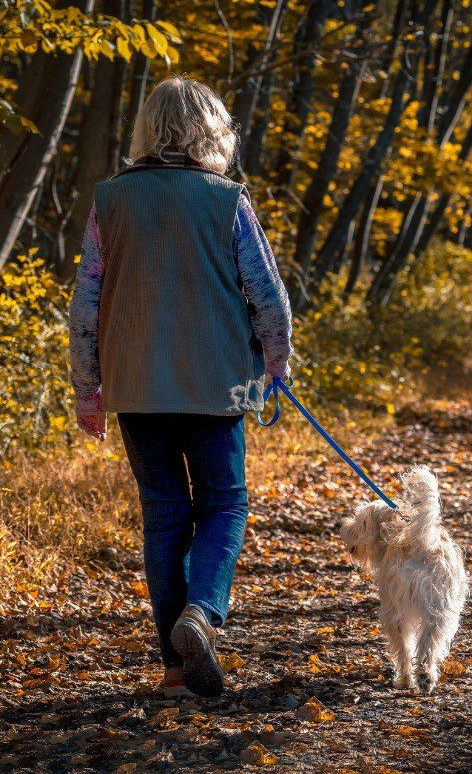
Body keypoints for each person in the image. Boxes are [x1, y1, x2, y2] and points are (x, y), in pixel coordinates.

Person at [68, 76, 293, 698]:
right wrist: (277, 363)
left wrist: (88, 390)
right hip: (216, 383)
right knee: (225, 503)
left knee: (165, 514)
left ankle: (174, 668)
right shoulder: (226, 199)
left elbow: (85, 305)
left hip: (136, 386)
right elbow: (268, 296)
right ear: (211, 132)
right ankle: (202, 614)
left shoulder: (110, 200)